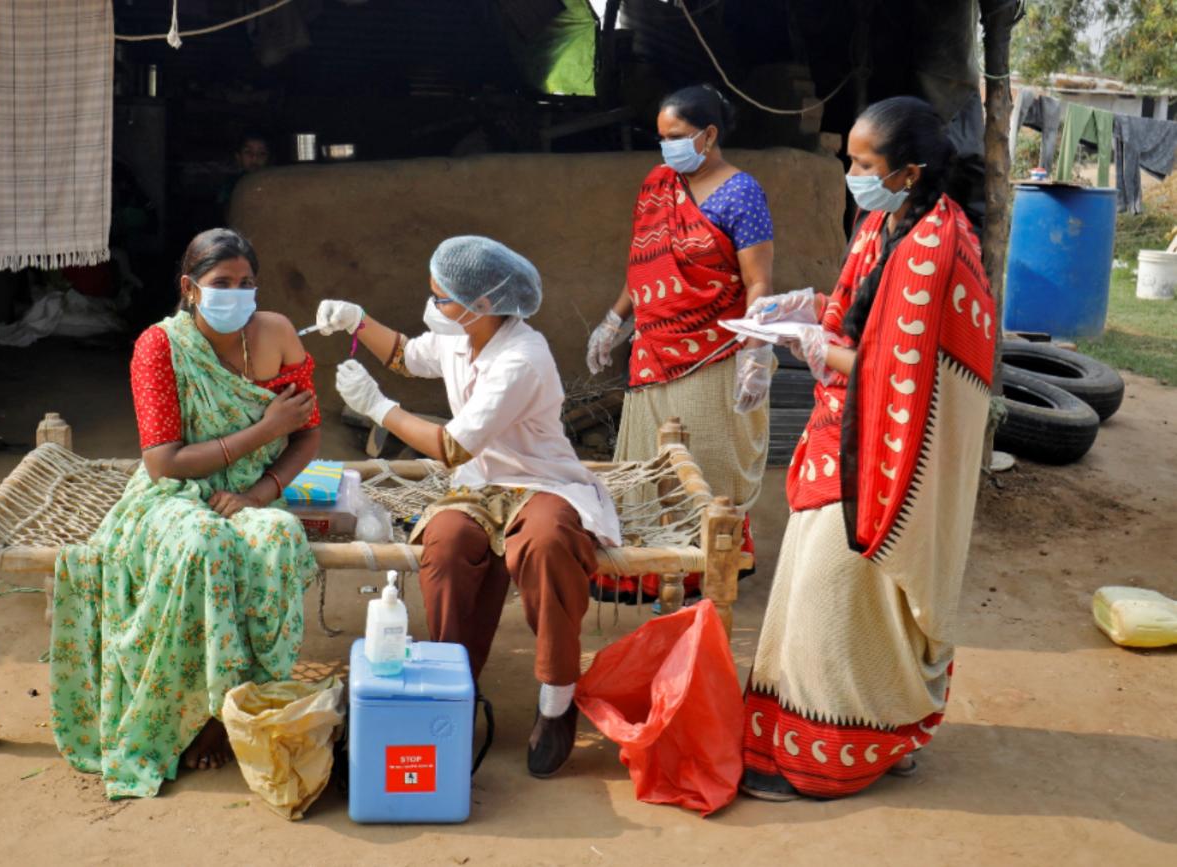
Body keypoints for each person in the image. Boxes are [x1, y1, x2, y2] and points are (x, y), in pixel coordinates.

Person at [740, 96, 996, 800]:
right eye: (849, 158)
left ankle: (837, 749)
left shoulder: (933, 244)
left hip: (886, 453)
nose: (850, 172)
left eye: (863, 163)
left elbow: (902, 374)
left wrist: (819, 349)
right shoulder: (884, 221)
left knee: (834, 593)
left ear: (909, 172)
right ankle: (880, 729)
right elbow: (865, 316)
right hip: (847, 437)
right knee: (825, 590)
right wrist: (806, 310)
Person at [315, 236, 620, 779]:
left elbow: (452, 446)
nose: (434, 307)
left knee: (547, 544)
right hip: (479, 485)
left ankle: (556, 700)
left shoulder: (522, 357)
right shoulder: (460, 339)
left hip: (543, 482)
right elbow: (406, 355)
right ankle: (455, 686)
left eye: (444, 299)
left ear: (485, 306)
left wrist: (379, 409)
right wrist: (358, 321)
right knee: (448, 544)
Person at [49, 228, 322, 799]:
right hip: (172, 495)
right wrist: (265, 429)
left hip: (246, 494)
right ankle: (194, 714)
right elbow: (163, 462)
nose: (237, 295)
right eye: (222, 284)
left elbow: (308, 434)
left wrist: (260, 495)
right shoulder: (159, 346)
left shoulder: (276, 335)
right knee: (204, 545)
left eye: (247, 283)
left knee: (278, 539)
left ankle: (243, 709)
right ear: (189, 288)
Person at [587, 84, 775, 599]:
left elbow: (757, 280)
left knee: (707, 460)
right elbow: (643, 264)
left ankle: (702, 563)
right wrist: (614, 320)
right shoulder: (657, 185)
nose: (666, 146)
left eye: (676, 136)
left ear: (709, 134)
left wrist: (756, 349)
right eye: (662, 136)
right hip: (651, 347)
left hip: (714, 350)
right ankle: (646, 562)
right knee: (646, 460)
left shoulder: (742, 193)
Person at [216, 131, 271, 216]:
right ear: (238, 157)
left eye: (262, 153)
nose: (255, 158)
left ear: (268, 158)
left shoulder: (271, 182)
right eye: (248, 152)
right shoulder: (231, 183)